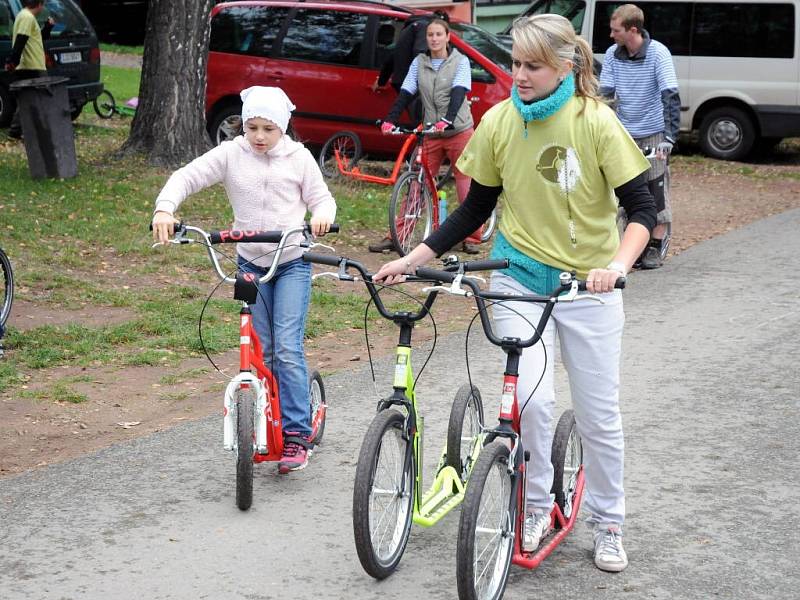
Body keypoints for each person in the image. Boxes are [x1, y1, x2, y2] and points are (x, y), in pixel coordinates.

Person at [374, 14, 657, 573]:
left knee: (599, 415)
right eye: (515, 64)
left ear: (565, 68)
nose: (518, 76)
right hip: (519, 277)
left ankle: (608, 521)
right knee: (530, 404)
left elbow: (644, 211)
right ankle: (531, 505)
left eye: (532, 66)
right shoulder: (501, 121)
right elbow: (476, 208)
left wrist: (616, 265)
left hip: (587, 287)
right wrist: (415, 257)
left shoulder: (595, 121)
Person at [151, 86, 336, 474]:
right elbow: (186, 176)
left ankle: (298, 434)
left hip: (291, 261)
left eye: (268, 128)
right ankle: (264, 423)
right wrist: (165, 209)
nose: (259, 136)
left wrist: (320, 214)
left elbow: (322, 199)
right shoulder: (232, 154)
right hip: (249, 260)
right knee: (261, 349)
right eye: (252, 127)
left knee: (286, 347)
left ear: (282, 127)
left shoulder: (298, 158)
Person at [369, 16, 481, 255]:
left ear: (448, 37)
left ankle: (472, 236)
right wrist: (390, 118)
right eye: (430, 35)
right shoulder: (419, 62)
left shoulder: (459, 62)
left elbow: (458, 93)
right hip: (431, 130)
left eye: (439, 34)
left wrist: (448, 119)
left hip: (458, 129)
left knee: (464, 181)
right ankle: (398, 234)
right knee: (417, 182)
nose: (434, 39)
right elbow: (407, 92)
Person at [599, 3, 680, 269]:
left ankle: (656, 245)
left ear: (632, 30)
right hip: (624, 131)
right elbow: (606, 96)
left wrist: (669, 138)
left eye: (615, 30)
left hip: (654, 131)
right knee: (626, 188)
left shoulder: (658, 54)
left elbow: (670, 96)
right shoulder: (613, 54)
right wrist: (604, 129)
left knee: (655, 185)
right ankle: (633, 244)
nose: (611, 35)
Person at [371, 10, 451, 125]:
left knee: (422, 124)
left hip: (402, 80)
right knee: (425, 124)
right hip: (413, 84)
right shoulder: (425, 27)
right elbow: (420, 52)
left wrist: (382, 80)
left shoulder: (412, 28)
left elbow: (394, 55)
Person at [5, 0, 54, 139]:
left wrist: (48, 27)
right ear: (39, 4)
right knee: (44, 97)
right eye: (42, 4)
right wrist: (12, 61)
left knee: (27, 100)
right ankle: (43, 131)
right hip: (32, 66)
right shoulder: (27, 17)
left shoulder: (25, 16)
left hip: (31, 65)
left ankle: (17, 130)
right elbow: (21, 39)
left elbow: (36, 39)